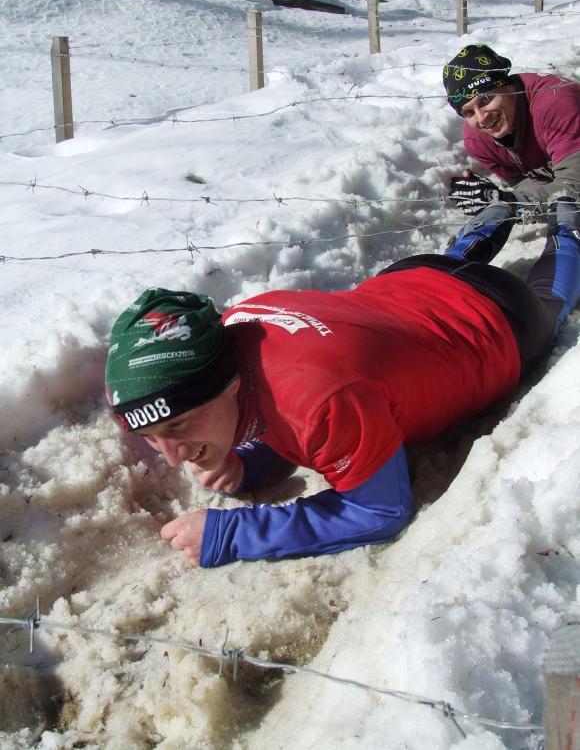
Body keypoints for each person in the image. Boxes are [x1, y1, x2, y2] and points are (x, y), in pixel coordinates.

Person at [105, 198, 580, 568]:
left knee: (552, 305)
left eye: (180, 425)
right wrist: (248, 464)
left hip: (498, 318)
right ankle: (495, 215)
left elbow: (379, 510)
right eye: (150, 435)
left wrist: (231, 535)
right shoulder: (234, 323)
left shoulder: (321, 401)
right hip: (415, 275)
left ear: (227, 384)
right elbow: (274, 406)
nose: (171, 456)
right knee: (450, 260)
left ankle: (568, 230)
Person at [442, 44, 580, 215]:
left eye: (485, 100)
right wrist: (500, 198)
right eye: (469, 112)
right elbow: (525, 184)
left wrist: (509, 201)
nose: (482, 118)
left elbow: (575, 190)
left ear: (509, 87)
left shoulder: (555, 106)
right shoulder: (477, 140)